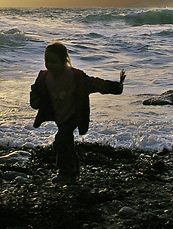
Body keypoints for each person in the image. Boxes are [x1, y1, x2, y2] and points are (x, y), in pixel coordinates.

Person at [30, 41, 126, 185]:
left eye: (54, 61)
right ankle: (73, 171)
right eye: (47, 61)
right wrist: (35, 102)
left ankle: (65, 172)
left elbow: (97, 84)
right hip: (59, 115)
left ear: (64, 60)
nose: (50, 64)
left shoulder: (76, 77)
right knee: (66, 141)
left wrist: (117, 86)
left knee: (61, 141)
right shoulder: (44, 77)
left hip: (74, 115)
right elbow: (35, 91)